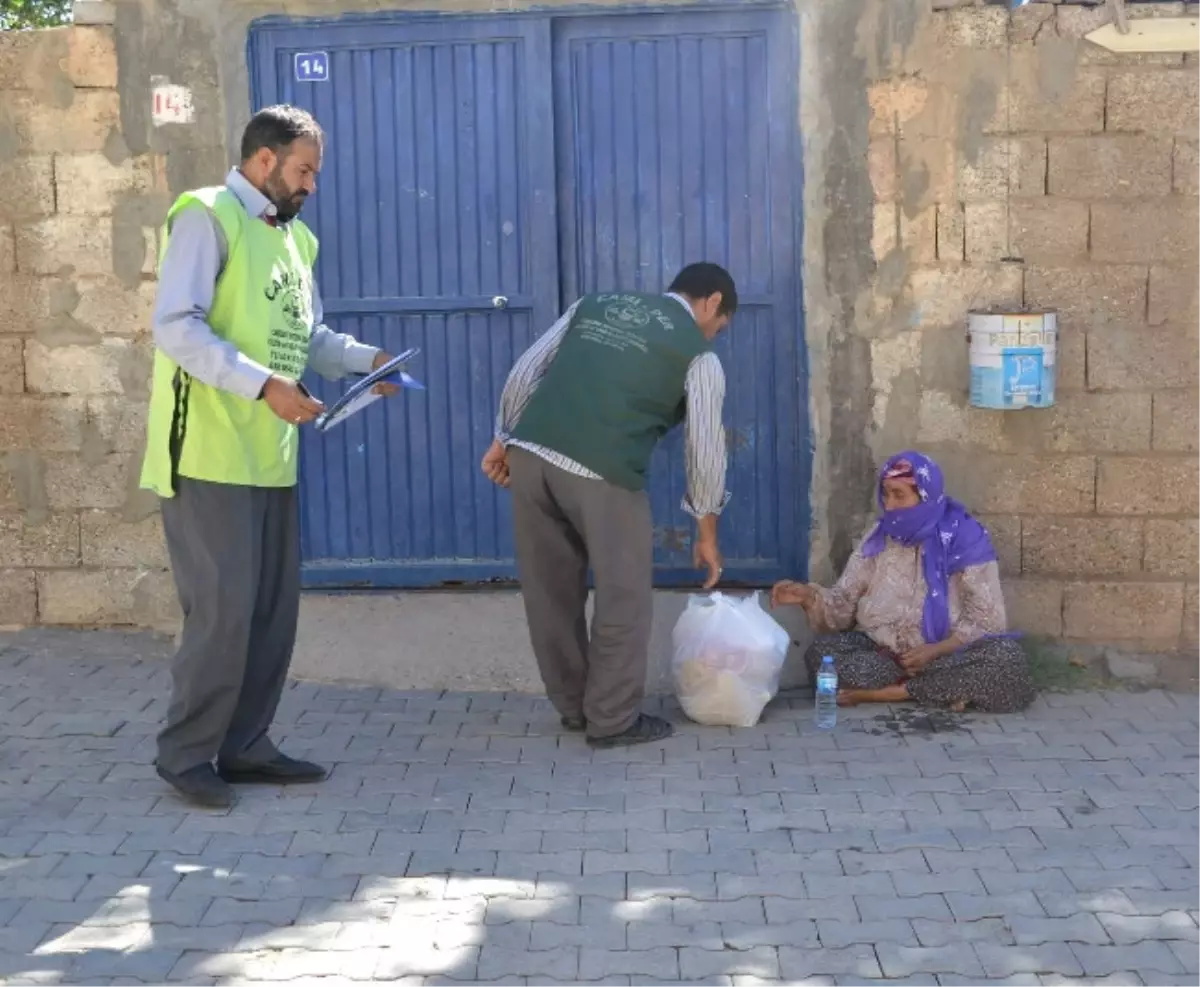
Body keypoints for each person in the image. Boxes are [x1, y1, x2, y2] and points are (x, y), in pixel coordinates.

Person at [140, 104, 400, 807]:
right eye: (304, 169)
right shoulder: (206, 214)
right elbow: (177, 328)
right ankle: (186, 754)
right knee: (220, 614)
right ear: (264, 161)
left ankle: (246, 743)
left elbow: (308, 335)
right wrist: (263, 386)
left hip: (269, 454)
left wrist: (366, 360)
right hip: (206, 452)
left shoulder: (297, 241)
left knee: (270, 614)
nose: (312, 184)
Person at [480, 264, 736, 748]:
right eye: (718, 327)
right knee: (624, 596)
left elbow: (524, 372)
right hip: (603, 472)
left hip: (531, 458)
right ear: (713, 302)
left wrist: (504, 439)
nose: (714, 335)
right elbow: (704, 447)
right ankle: (613, 720)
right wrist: (706, 530)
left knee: (549, 592)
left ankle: (576, 707)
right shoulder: (700, 358)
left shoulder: (593, 305)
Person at [772, 451, 1035, 713]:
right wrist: (808, 596)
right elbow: (844, 605)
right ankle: (946, 691)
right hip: (887, 657)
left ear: (925, 496)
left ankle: (890, 694)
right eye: (886, 494)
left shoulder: (965, 538)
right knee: (822, 655)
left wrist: (935, 650)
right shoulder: (878, 537)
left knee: (1006, 659)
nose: (890, 504)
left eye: (899, 495)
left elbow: (988, 618)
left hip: (946, 656)